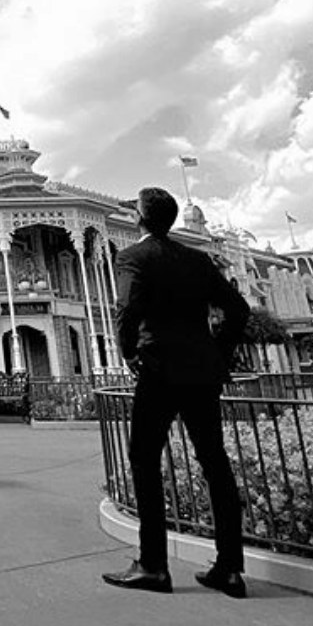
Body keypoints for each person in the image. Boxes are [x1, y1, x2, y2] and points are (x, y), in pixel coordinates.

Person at [102, 187, 253, 600]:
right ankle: (230, 568)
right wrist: (217, 349)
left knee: (143, 459)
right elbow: (238, 309)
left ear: (140, 219)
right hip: (202, 372)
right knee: (215, 463)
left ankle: (153, 565)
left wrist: (129, 353)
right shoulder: (197, 259)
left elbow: (128, 309)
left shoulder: (134, 257)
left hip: (159, 370)